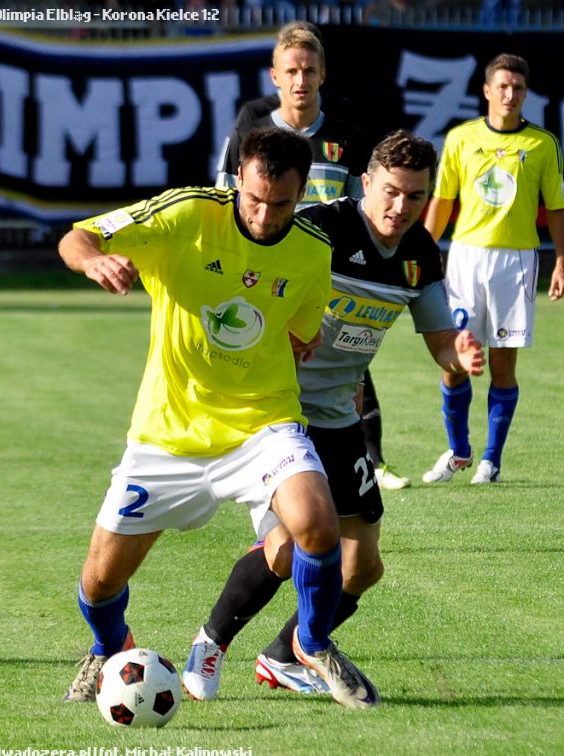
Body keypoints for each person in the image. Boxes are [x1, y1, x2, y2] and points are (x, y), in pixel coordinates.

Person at [59, 126, 378, 711]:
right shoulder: (186, 214)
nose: (264, 215)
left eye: (281, 204)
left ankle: (311, 643)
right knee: (99, 582)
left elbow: (300, 333)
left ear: (301, 194)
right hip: (167, 433)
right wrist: (95, 262)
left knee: (317, 523)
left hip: (263, 424)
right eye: (254, 198)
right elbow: (77, 237)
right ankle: (107, 647)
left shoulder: (312, 249)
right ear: (237, 181)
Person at [181, 129, 486, 701]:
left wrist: (459, 352)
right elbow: (244, 274)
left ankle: (285, 655)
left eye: (415, 196)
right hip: (273, 412)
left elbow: (441, 342)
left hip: (338, 416)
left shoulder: (419, 254)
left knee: (363, 567)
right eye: (391, 191)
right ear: (366, 182)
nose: (400, 206)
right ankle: (210, 643)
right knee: (290, 543)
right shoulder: (316, 228)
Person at [217, 22, 409, 491]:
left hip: (328, 275)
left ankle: (369, 461)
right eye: (291, 71)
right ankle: (253, 457)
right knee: (261, 358)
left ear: (323, 74)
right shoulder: (253, 127)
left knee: (349, 363)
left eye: (308, 70)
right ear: (275, 76)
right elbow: (226, 199)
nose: (300, 80)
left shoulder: (346, 132)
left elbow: (362, 207)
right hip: (267, 272)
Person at [422, 53, 564, 485]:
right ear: (487, 90)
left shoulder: (542, 144)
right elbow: (443, 201)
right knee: (455, 360)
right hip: (465, 259)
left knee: (502, 365)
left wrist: (562, 260)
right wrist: (423, 253)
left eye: (518, 88)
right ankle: (459, 451)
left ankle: (491, 459)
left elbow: (556, 207)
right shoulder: (461, 138)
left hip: (516, 262)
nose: (510, 94)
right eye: (502, 86)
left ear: (526, 94)